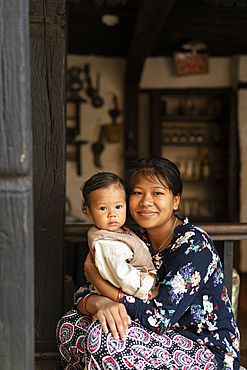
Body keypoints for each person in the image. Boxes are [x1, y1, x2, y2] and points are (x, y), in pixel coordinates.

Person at [56, 155, 240, 370]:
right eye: (137, 193)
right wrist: (100, 302)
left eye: (158, 193)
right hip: (159, 337)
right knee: (71, 326)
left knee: (106, 336)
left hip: (205, 350)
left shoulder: (193, 245)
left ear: (176, 201)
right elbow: (83, 293)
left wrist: (102, 285)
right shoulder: (133, 241)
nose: (146, 202)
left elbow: (159, 319)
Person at [80, 172, 157, 301]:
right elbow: (122, 275)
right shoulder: (107, 243)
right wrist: (146, 292)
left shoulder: (118, 231)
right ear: (90, 213)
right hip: (131, 295)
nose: (112, 214)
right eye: (103, 208)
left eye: (118, 206)